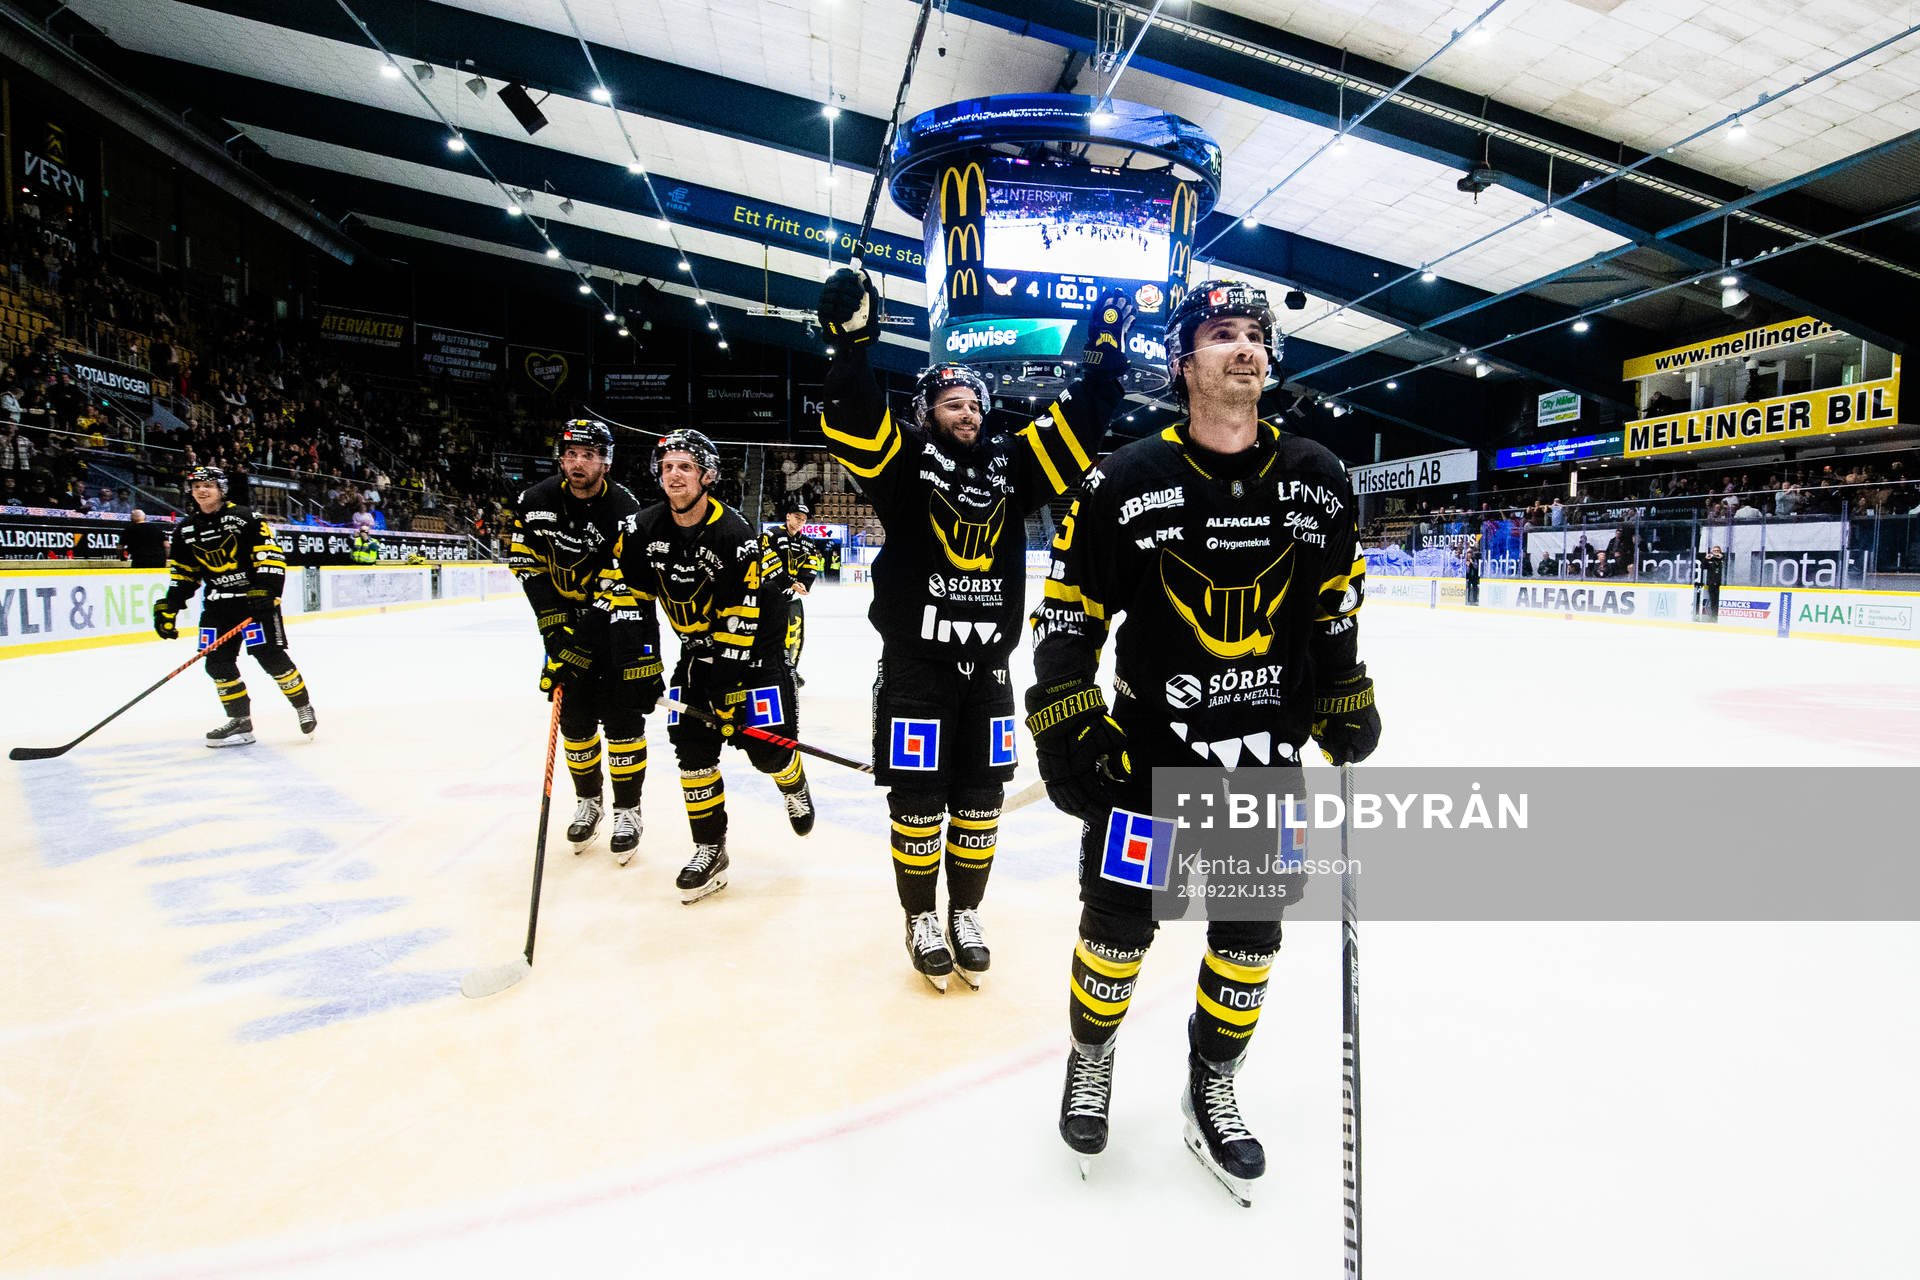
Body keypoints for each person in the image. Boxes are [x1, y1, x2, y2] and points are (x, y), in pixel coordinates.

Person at [1024, 280, 1377, 1203]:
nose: (1245, 348)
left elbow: (1336, 599)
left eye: (1256, 335)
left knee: (1250, 940)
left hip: (1262, 763)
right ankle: (1090, 1057)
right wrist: (1064, 715)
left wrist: (1344, 688)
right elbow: (1067, 614)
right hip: (1149, 763)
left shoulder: (1318, 478)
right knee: (1116, 934)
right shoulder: (1123, 481)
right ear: (1185, 365)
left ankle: (1211, 1082)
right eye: (1222, 335)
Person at [815, 266, 1133, 991]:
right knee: (919, 802)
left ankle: (966, 912)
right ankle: (921, 916)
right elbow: (855, 418)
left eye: (974, 404)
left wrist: (1106, 364)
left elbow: (1077, 424)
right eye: (952, 403)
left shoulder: (1011, 466)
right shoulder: (903, 463)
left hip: (988, 668)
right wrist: (850, 347)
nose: (967, 413)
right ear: (926, 412)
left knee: (981, 801)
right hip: (917, 669)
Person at [607, 429, 813, 903]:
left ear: (708, 476)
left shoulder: (735, 533)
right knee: (693, 751)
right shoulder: (641, 530)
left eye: (685, 466)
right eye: (667, 466)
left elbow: (747, 618)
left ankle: (791, 777)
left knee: (767, 750)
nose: (674, 474)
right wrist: (640, 666)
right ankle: (710, 848)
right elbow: (629, 602)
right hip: (698, 656)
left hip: (757, 657)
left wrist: (727, 693)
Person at [506, 420, 658, 865]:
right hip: (568, 622)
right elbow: (529, 568)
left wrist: (576, 645)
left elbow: (617, 584)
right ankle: (588, 801)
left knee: (623, 721)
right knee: (574, 721)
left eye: (588, 455)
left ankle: (628, 810)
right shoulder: (534, 502)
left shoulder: (625, 509)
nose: (577, 463)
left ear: (605, 461)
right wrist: (555, 634)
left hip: (622, 622)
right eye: (571, 454)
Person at [152, 466, 318, 746]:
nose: (202, 491)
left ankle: (302, 706)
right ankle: (240, 722)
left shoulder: (245, 519)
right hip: (217, 606)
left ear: (221, 489)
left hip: (255, 603)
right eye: (196, 486)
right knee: (217, 664)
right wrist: (171, 604)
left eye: (209, 485)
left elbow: (269, 556)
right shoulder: (185, 529)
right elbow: (184, 573)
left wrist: (266, 591)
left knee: (271, 658)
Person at [762, 498, 820, 686]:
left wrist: (803, 584)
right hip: (766, 597)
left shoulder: (808, 542)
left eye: (803, 519)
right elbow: (767, 560)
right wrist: (789, 582)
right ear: (788, 517)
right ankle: (764, 672)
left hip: (791, 598)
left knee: (793, 635)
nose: (800, 521)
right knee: (767, 636)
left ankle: (789, 671)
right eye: (797, 517)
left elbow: (812, 563)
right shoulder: (771, 534)